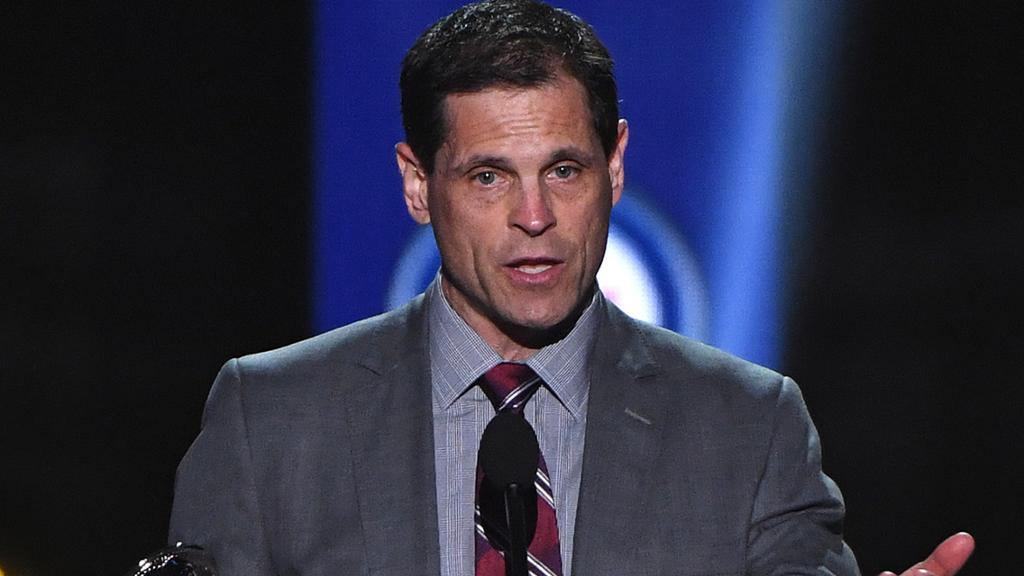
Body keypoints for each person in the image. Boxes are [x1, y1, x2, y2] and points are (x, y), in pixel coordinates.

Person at [168, 1, 974, 575]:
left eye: (563, 170)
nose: (534, 217)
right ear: (417, 184)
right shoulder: (270, 418)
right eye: (488, 176)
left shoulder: (750, 425)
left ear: (614, 166)